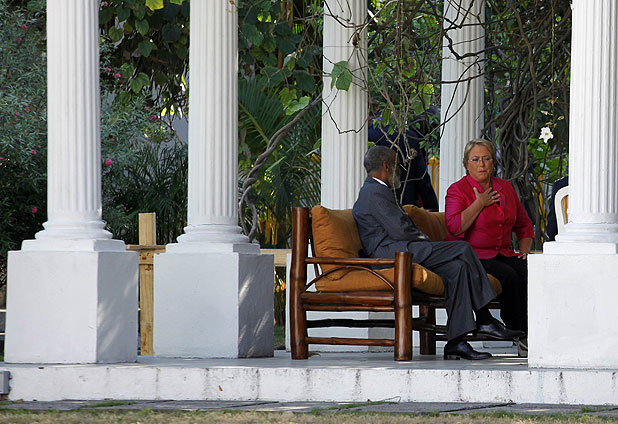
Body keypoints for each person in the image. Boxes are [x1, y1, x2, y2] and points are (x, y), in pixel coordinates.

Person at [353, 145, 525, 360]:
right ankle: (484, 318)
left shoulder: (377, 190)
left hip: (403, 250)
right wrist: (425, 240)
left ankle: (456, 343)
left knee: (457, 268)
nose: (401, 169)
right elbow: (400, 230)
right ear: (386, 166)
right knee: (463, 248)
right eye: (397, 165)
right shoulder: (374, 191)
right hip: (393, 255)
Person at [444, 139, 534, 357]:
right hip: (471, 255)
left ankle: (533, 331)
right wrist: (480, 203)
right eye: (475, 159)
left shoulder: (505, 187)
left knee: (529, 271)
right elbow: (455, 227)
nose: (481, 164)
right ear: (466, 163)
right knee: (509, 275)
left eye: (486, 159)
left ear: (493, 162)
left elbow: (524, 225)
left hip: (502, 252)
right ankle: (520, 335)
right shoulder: (457, 190)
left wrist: (524, 251)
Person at [368, 121, 439, 210]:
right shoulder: (410, 136)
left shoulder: (368, 136)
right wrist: (433, 210)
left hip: (377, 206)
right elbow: (423, 180)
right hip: (407, 206)